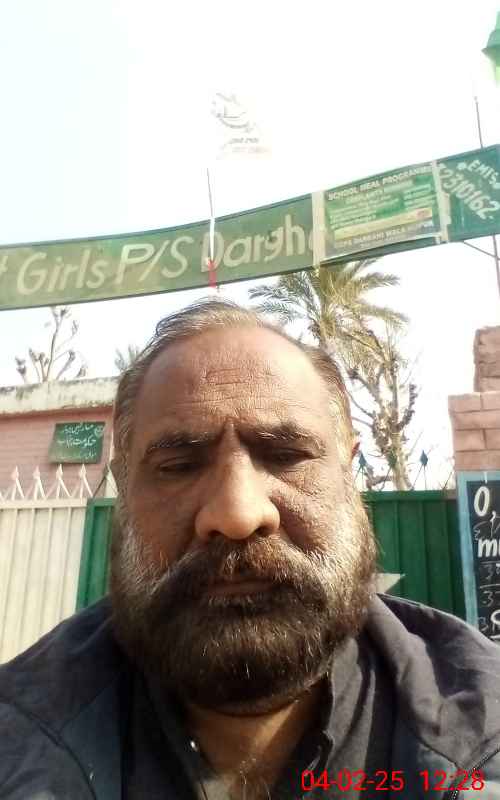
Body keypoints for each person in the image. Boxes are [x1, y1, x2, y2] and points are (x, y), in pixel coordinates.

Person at [1, 298, 500, 800]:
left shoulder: (485, 738)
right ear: (124, 489)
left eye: (286, 456)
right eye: (178, 466)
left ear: (349, 474)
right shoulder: (16, 741)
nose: (238, 514)